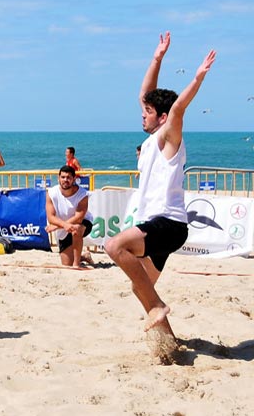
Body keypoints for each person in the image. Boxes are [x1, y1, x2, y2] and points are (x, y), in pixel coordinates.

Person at [105, 32, 216, 341]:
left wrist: (196, 80)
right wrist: (157, 58)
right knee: (140, 284)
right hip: (156, 224)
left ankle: (158, 307)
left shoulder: (169, 138)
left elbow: (178, 109)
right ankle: (169, 342)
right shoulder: (151, 140)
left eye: (149, 112)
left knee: (114, 246)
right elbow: (146, 94)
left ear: (163, 118)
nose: (142, 113)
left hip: (168, 223)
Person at [45, 165, 93, 268]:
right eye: (63, 177)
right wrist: (63, 225)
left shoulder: (83, 194)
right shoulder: (51, 193)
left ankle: (77, 265)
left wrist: (57, 226)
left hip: (83, 223)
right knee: (66, 263)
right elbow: (50, 217)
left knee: (76, 228)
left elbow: (79, 218)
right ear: (58, 178)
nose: (65, 180)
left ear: (74, 179)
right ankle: (84, 256)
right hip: (63, 227)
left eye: (68, 177)